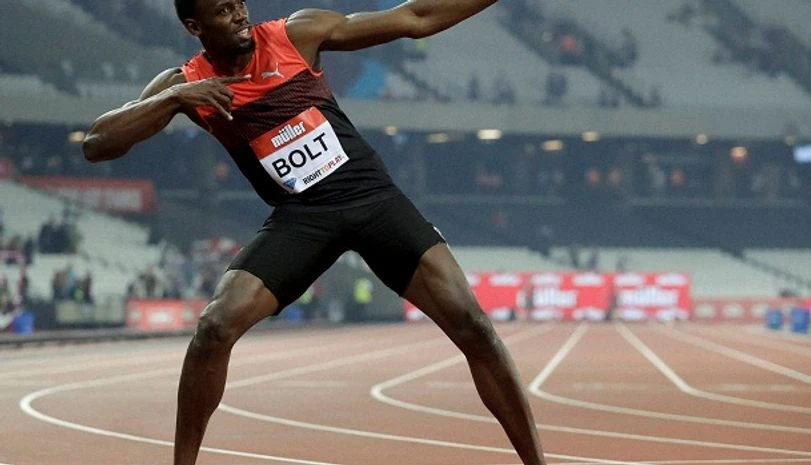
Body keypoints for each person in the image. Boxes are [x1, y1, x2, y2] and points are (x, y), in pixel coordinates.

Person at [81, 1, 548, 465]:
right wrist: (175, 98)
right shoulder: (185, 83)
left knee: (474, 327)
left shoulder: (296, 34)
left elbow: (415, 19)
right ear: (193, 26)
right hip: (302, 217)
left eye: (239, 3)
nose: (240, 14)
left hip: (372, 199)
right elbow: (97, 145)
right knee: (214, 327)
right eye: (223, 11)